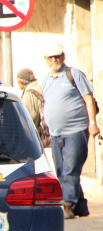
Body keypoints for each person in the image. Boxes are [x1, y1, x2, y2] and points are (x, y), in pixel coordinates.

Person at [40, 42, 101, 219]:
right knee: (61, 170)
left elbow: (89, 99)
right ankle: (81, 206)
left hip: (75, 130)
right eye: (51, 57)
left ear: (63, 56)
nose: (54, 60)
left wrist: (92, 123)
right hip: (56, 133)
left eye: (57, 56)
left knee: (70, 169)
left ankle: (67, 205)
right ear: (46, 60)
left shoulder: (74, 74)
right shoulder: (46, 79)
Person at [16, 68, 49, 145]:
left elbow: (28, 117)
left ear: (20, 82)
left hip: (38, 136)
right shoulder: (41, 89)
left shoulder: (29, 94)